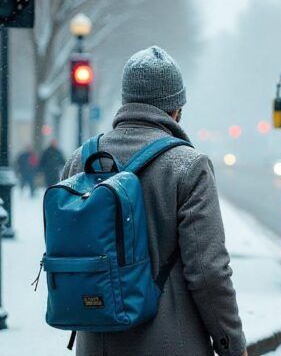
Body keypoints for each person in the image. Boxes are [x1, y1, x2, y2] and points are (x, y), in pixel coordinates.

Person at [61, 46, 247, 356]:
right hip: (171, 342)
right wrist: (231, 343)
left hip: (96, 343)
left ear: (126, 101)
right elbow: (208, 271)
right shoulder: (188, 166)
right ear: (176, 109)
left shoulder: (81, 160)